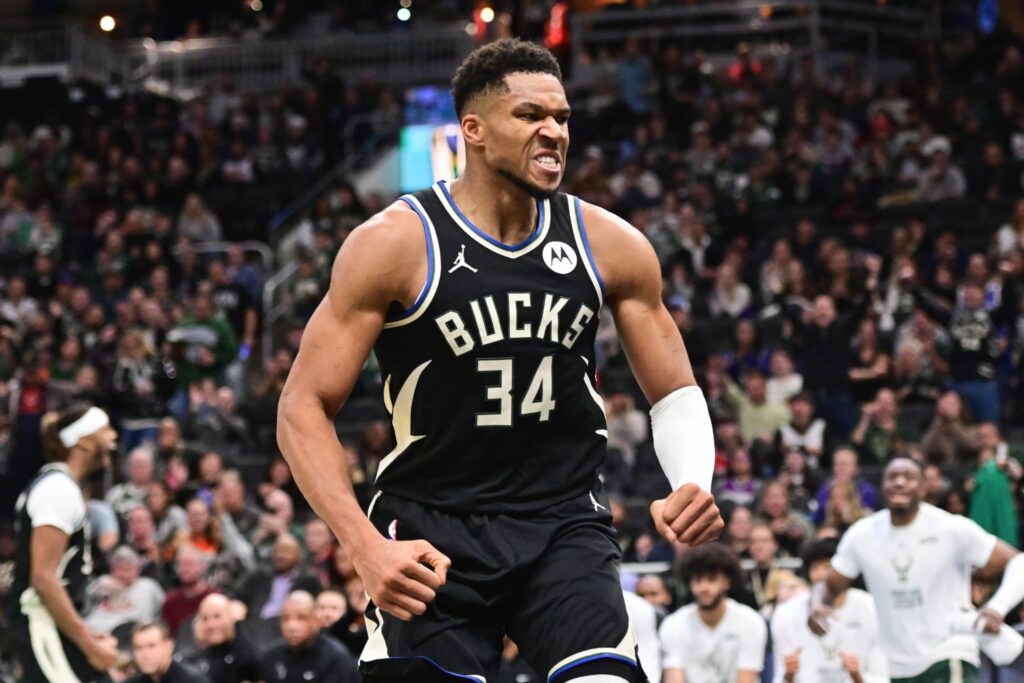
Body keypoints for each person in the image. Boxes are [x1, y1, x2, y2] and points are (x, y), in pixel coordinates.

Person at [277, 38, 722, 683]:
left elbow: (675, 390)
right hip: (431, 528)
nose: (553, 131)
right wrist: (364, 547)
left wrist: (692, 478)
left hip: (563, 521)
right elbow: (301, 405)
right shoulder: (395, 243)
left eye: (562, 117)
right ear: (474, 130)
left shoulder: (610, 243)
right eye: (530, 115)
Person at [811, 458, 1024, 682]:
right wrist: (816, 606)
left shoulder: (950, 527)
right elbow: (828, 586)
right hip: (895, 665)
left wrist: (997, 608)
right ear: (882, 487)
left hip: (948, 652)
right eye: (892, 477)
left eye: (908, 478)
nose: (899, 482)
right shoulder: (861, 535)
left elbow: (1018, 561)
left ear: (923, 488)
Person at [5, 404, 121, 683]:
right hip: (39, 621)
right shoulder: (57, 489)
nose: (114, 436)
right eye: (105, 429)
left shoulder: (62, 486)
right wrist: (89, 646)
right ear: (82, 441)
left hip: (51, 623)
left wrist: (84, 632)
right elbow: (43, 578)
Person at [771, 538, 887, 683]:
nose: (821, 575)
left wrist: (858, 677)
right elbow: (779, 678)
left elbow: (882, 677)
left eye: (828, 567)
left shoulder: (871, 607)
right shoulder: (785, 614)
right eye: (814, 568)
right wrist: (789, 676)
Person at [658, 543, 768, 683]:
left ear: (727, 582)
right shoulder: (673, 624)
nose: (704, 587)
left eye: (711, 579)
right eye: (698, 580)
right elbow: (674, 679)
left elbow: (746, 678)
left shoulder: (751, 622)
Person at [257, 591, 359, 683]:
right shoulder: (271, 657)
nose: (292, 626)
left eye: (302, 618)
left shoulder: (336, 658)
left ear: (316, 620)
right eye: (285, 618)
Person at [184, 593, 259, 683]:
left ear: (231, 617)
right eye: (205, 619)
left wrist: (236, 625)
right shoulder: (195, 659)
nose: (211, 625)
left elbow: (250, 663)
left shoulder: (243, 652)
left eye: (217, 616)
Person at [126, 622, 209, 683]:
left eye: (151, 646)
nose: (144, 654)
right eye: (138, 648)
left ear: (169, 646)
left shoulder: (192, 680)